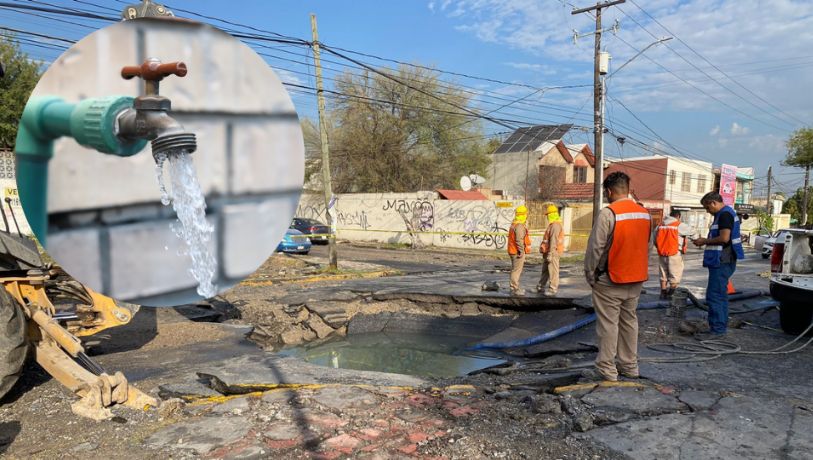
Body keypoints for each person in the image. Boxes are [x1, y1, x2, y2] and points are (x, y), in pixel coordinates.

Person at [583, 172, 651, 381]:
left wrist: (590, 274)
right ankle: (630, 366)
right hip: (636, 278)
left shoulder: (608, 214)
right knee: (629, 321)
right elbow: (647, 247)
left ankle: (607, 369)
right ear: (628, 189)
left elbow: (595, 248)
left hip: (611, 279)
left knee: (608, 324)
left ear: (609, 191)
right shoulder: (644, 214)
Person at [692, 192, 744, 339]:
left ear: (714, 203)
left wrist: (704, 241)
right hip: (723, 260)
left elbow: (724, 238)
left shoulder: (725, 215)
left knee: (715, 295)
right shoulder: (724, 214)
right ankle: (719, 327)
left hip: (722, 260)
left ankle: (717, 330)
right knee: (719, 295)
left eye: (707, 207)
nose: (707, 211)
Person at [654, 209, 695, 299]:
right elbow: (692, 232)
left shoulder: (660, 225)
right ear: (678, 216)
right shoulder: (678, 225)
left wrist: (660, 247)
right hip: (674, 253)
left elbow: (655, 239)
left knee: (663, 273)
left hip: (662, 253)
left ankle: (663, 293)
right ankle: (671, 294)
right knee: (675, 274)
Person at [536, 204, 564, 296]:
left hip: (553, 252)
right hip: (548, 251)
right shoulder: (552, 225)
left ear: (552, 214)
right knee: (546, 270)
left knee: (553, 270)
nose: (547, 216)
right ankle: (541, 286)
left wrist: (550, 254)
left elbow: (553, 241)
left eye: (548, 214)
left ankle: (553, 289)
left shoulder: (555, 225)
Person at [507, 205, 531, 296]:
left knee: (514, 269)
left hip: (512, 250)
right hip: (517, 251)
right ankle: (514, 288)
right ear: (523, 215)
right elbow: (519, 240)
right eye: (525, 214)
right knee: (516, 270)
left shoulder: (514, 224)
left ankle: (513, 286)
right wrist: (521, 251)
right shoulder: (519, 226)